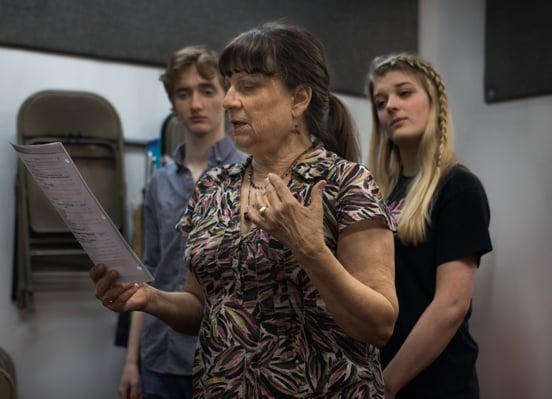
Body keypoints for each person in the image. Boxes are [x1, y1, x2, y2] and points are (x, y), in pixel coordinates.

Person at [93, 22, 398, 398]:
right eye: (230, 84)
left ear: (298, 100)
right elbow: (202, 306)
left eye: (248, 87)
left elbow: (380, 324)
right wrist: (150, 299)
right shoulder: (213, 187)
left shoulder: (346, 183)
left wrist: (311, 250)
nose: (229, 100)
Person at [119, 45, 245, 399]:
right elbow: (146, 270)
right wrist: (131, 361)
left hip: (227, 359)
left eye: (207, 91)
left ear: (225, 95)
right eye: (183, 93)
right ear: (173, 102)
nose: (196, 104)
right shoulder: (160, 181)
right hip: (159, 357)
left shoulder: (250, 173)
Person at [366, 53, 492, 399]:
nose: (391, 106)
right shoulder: (378, 193)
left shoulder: (458, 187)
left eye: (404, 93)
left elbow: (451, 306)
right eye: (381, 101)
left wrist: (386, 384)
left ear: (434, 103)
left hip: (437, 383)